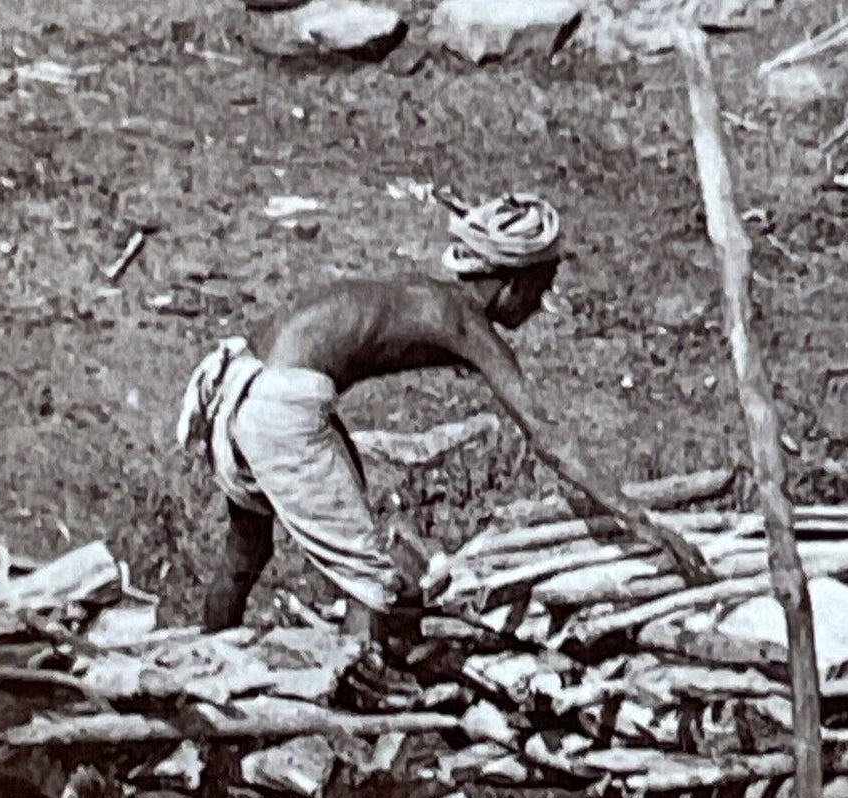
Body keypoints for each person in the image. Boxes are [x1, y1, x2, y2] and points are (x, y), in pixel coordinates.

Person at [177, 191, 714, 637]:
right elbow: (547, 436)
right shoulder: (463, 323)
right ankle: (353, 715)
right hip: (280, 404)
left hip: (237, 379)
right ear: (513, 283)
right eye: (540, 289)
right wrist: (641, 520)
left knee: (246, 550)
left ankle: (208, 660)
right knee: (371, 582)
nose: (539, 306)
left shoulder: (423, 295)